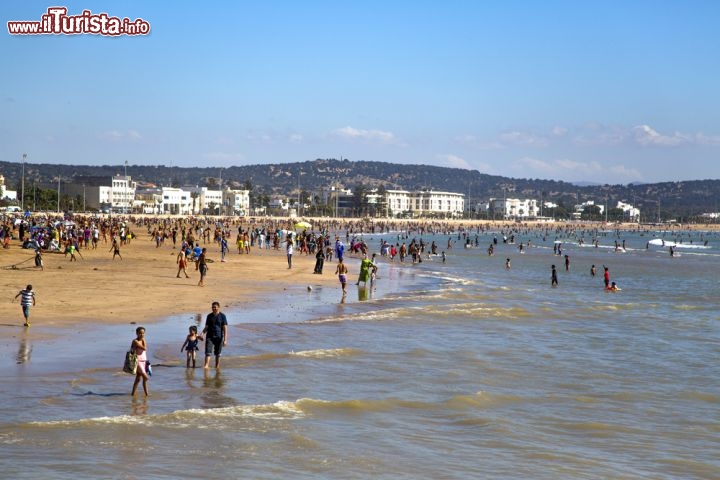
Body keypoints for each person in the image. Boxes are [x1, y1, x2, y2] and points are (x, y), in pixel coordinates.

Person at [202, 301, 228, 369]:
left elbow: (225, 328)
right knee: (208, 352)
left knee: (218, 354)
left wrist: (225, 340)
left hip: (219, 337)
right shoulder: (209, 316)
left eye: (215, 307)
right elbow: (206, 327)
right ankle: (206, 366)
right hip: (209, 337)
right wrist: (202, 334)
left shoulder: (223, 316)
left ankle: (217, 367)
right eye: (213, 307)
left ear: (219, 307)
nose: (214, 308)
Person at [130, 326, 149, 396]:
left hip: (144, 360)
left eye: (143, 333)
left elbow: (144, 349)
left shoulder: (143, 340)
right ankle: (146, 393)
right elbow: (144, 348)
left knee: (138, 379)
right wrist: (142, 341)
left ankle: (144, 394)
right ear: (137, 333)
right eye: (140, 333)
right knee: (146, 377)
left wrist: (143, 340)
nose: (142, 335)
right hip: (137, 361)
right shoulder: (135, 341)